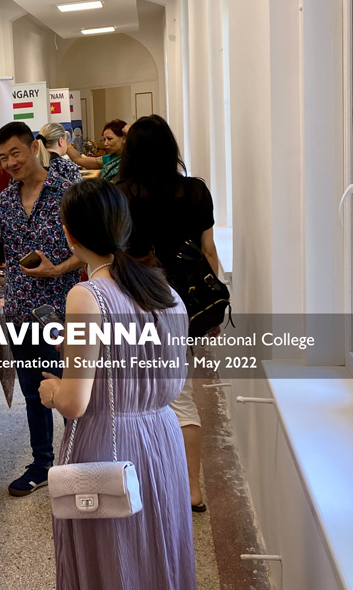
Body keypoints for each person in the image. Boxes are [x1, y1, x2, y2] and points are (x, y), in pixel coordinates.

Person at [39, 177, 196, 590]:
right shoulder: (164, 290)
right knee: (159, 543)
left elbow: (74, 402)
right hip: (162, 435)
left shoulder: (86, 295)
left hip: (107, 439)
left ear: (70, 235)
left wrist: (52, 391)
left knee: (113, 554)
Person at [117, 113, 219, 512]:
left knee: (134, 400)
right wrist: (210, 312)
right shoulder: (195, 192)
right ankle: (192, 489)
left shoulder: (119, 195)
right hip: (182, 306)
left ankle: (145, 483)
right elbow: (208, 252)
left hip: (133, 303)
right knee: (182, 398)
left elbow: (113, 257)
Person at [0, 121, 82, 496]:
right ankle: (42, 463)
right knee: (34, 391)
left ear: (34, 147)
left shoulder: (66, 193)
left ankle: (79, 461)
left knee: (69, 391)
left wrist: (57, 269)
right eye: (3, 157)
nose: (9, 163)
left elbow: (87, 250)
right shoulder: (5, 198)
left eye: (15, 153)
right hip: (20, 310)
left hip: (61, 310)